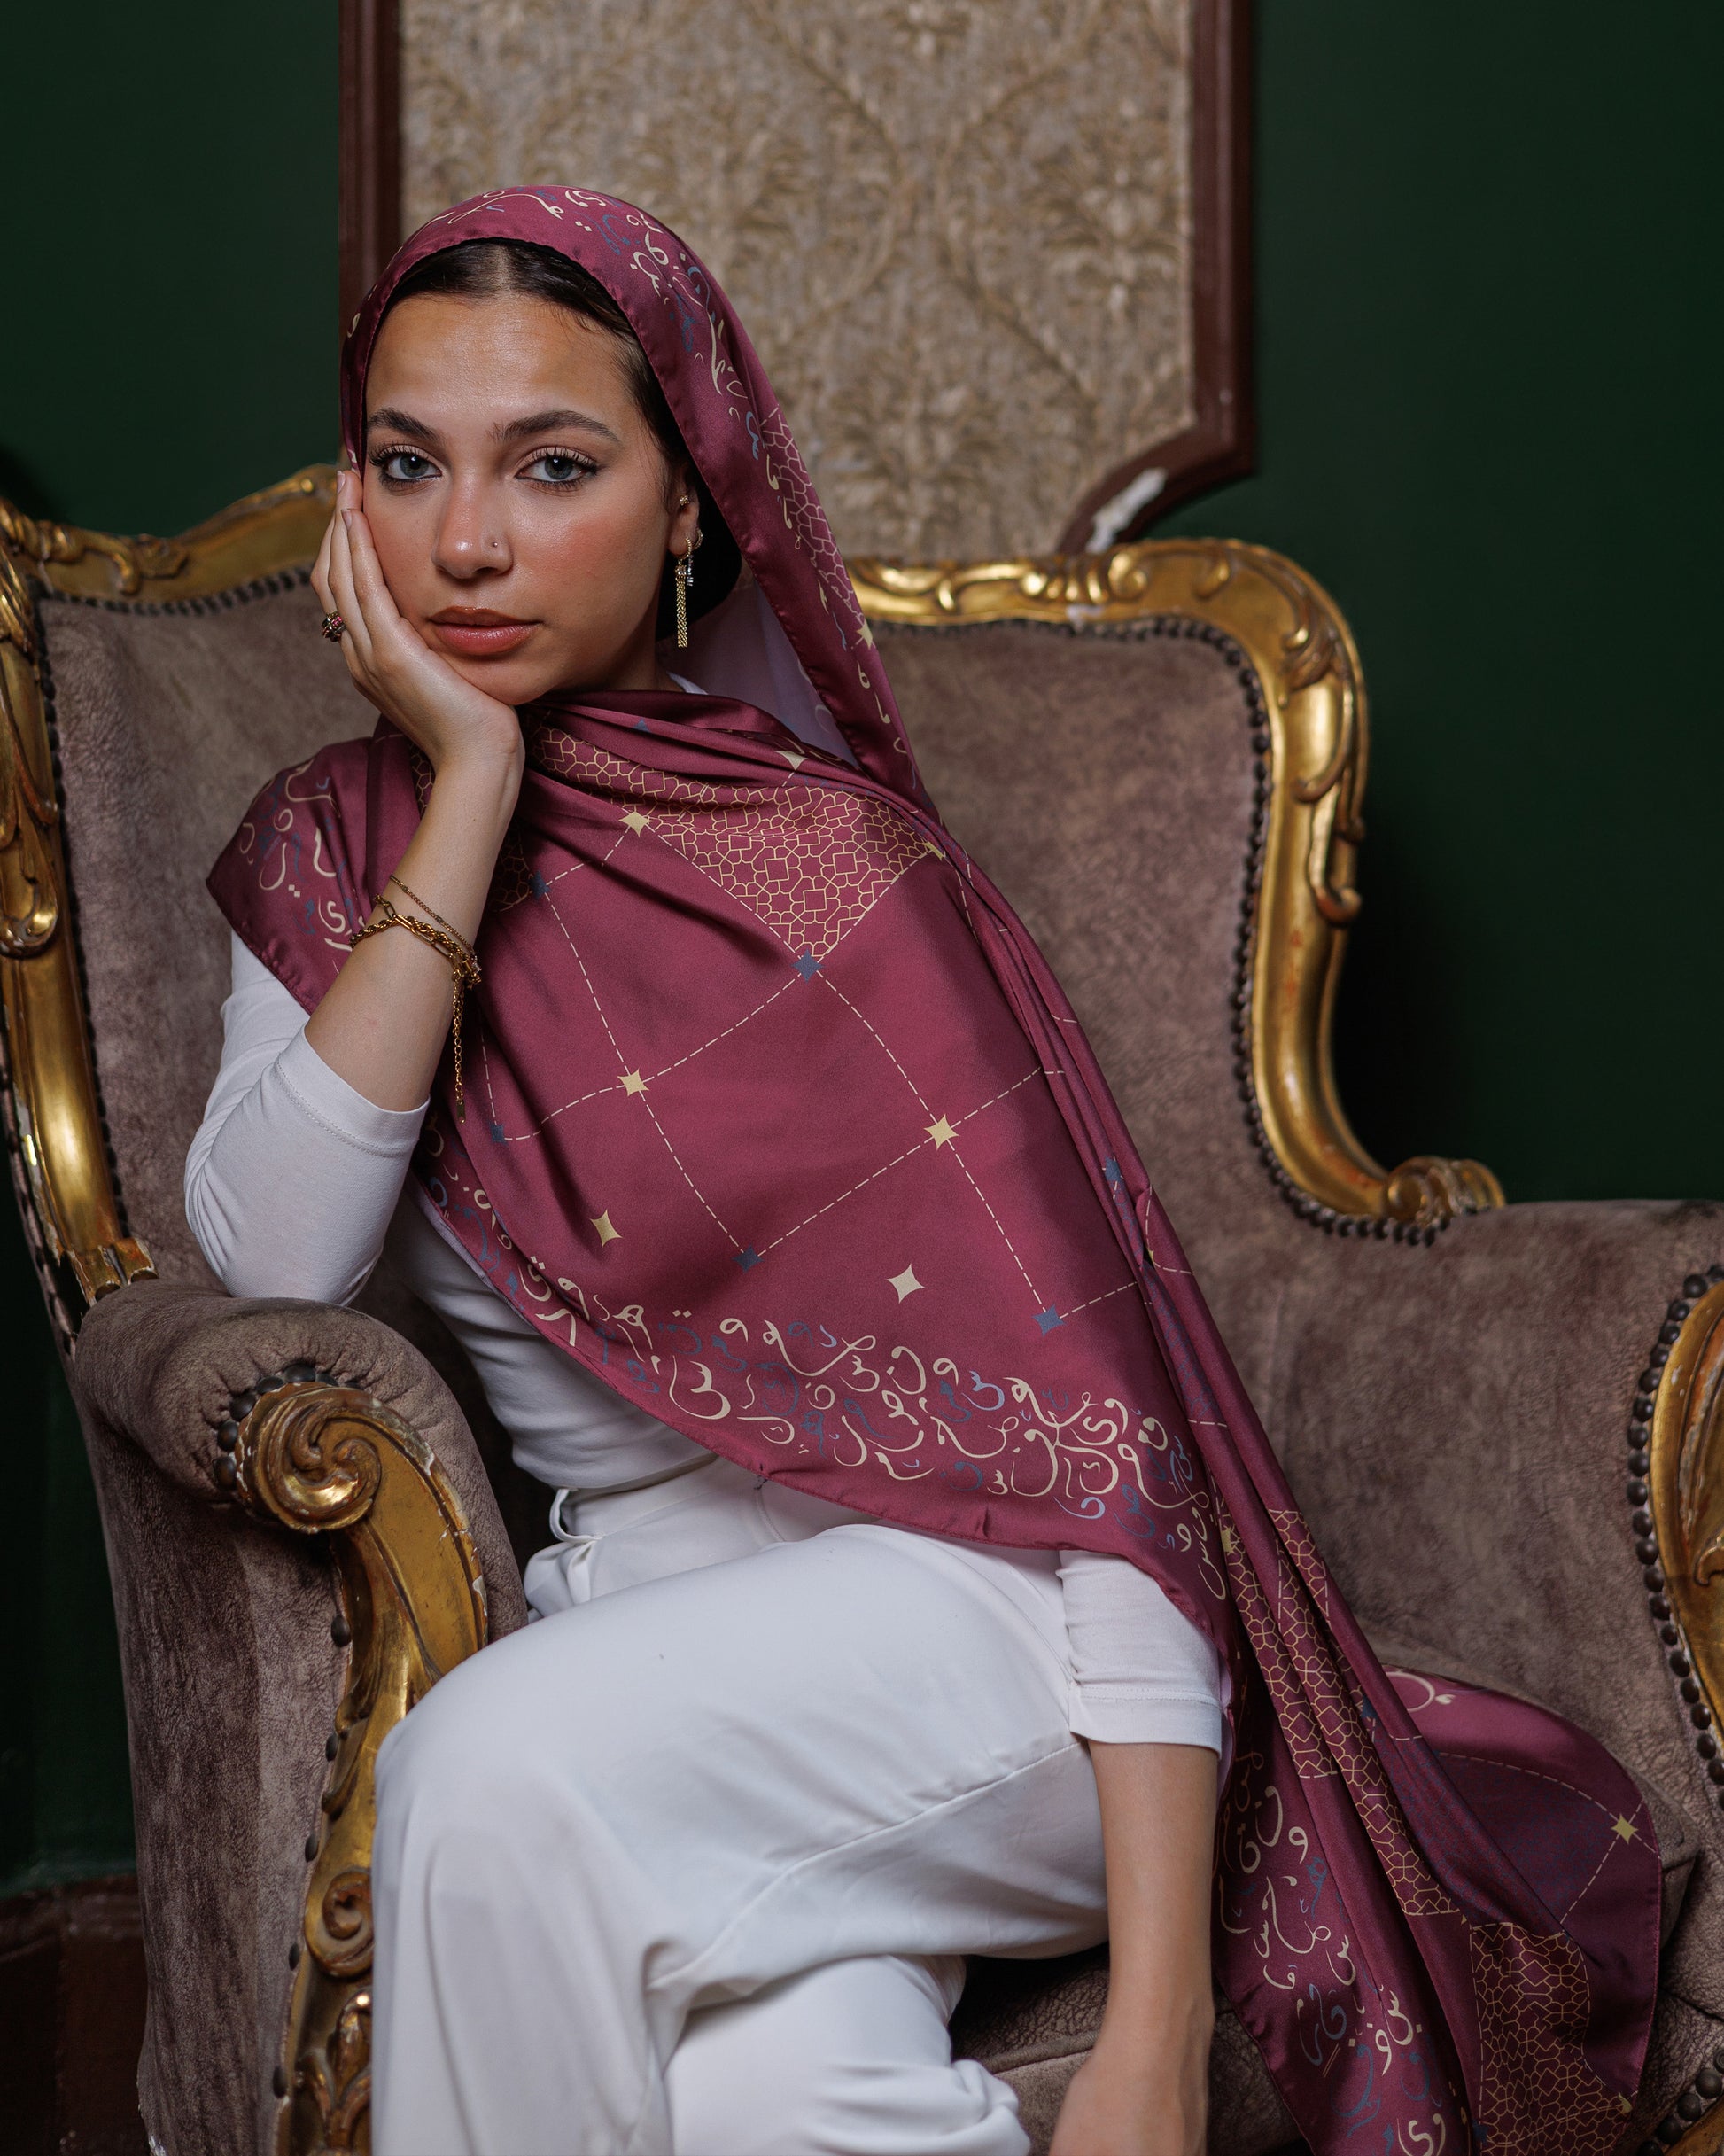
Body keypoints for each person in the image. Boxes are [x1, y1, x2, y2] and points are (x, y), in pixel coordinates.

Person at [190, 189, 1658, 2156]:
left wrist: (1153, 2026)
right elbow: (274, 1260)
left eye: (552, 467)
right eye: (404, 464)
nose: (464, 542)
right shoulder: (333, 854)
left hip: (1005, 1652)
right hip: (657, 1654)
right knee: (762, 2098)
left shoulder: (829, 869)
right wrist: (464, 788)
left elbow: (1108, 1462)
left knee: (488, 1773)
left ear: (687, 500)